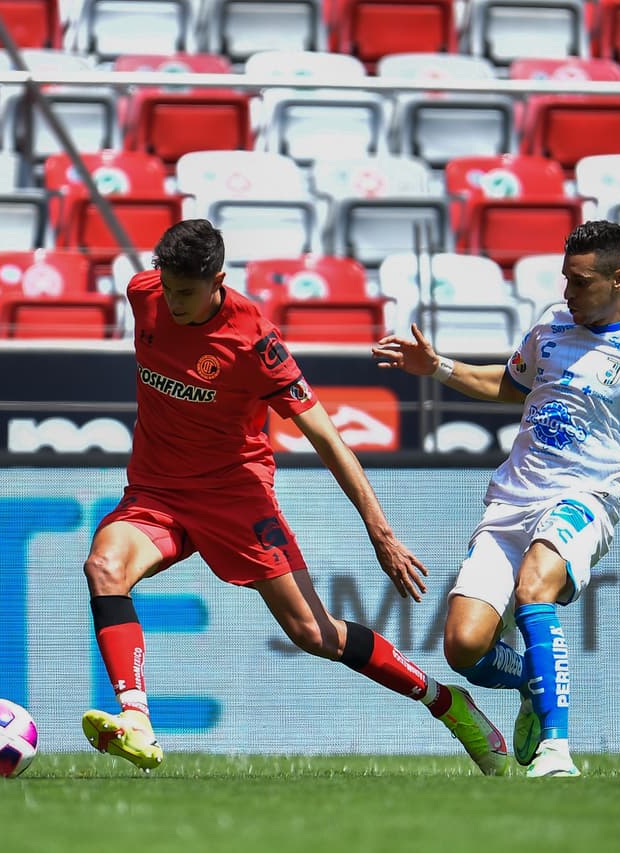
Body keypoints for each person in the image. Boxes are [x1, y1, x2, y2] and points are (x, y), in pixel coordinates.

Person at [80, 219, 508, 776]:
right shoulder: (145, 293)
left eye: (185, 293)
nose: (173, 302)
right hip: (155, 492)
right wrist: (165, 290)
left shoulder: (255, 343)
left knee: (314, 633)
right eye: (168, 289)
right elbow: (160, 292)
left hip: (234, 495)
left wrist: (380, 531)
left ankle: (446, 702)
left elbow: (327, 438)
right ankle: (136, 718)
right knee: (104, 567)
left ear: (218, 282)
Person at [372, 220, 620, 778]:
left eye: (581, 282)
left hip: (583, 500)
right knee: (464, 648)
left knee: (534, 585)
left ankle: (556, 750)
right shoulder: (552, 323)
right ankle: (533, 683)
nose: (568, 292)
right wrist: (438, 367)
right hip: (511, 503)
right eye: (566, 279)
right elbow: (510, 385)